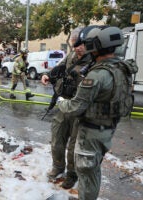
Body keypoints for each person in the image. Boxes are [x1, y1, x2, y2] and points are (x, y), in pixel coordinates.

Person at [57, 26, 138, 199]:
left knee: (87, 174)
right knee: (93, 171)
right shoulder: (123, 69)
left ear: (96, 47)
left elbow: (76, 107)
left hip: (91, 133)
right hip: (107, 129)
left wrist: (61, 102)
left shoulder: (98, 75)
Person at [41, 26, 96, 189]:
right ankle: (57, 167)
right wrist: (48, 76)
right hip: (64, 104)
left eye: (78, 45)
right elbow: (60, 67)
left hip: (80, 109)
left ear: (87, 43)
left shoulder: (94, 60)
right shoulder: (72, 55)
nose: (76, 48)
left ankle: (72, 175)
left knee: (74, 145)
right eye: (73, 45)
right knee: (57, 138)